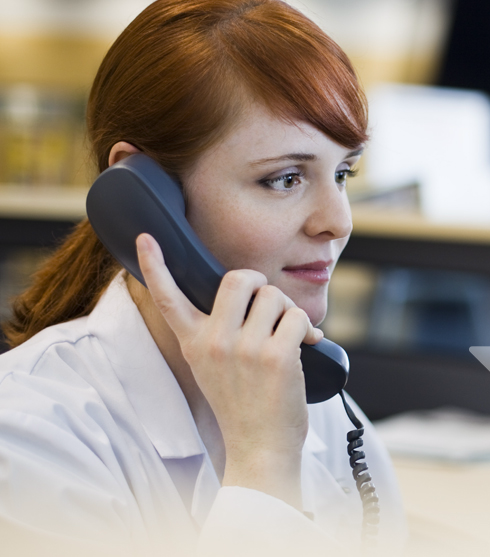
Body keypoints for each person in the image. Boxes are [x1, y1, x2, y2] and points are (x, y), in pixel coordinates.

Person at [0, 0, 405, 555]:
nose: (337, 221)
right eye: (285, 179)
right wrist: (263, 461)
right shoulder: (26, 437)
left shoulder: (326, 412)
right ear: (144, 197)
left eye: (342, 173)